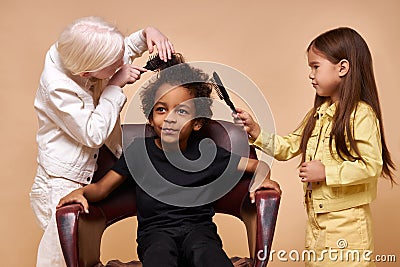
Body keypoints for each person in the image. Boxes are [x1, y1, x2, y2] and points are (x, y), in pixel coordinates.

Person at [57, 62, 281, 267]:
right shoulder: (138, 153)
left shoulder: (207, 152)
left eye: (181, 111)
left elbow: (257, 166)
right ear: (151, 119)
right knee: (159, 258)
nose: (169, 118)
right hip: (155, 234)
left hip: (200, 232)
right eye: (161, 110)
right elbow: (101, 189)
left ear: (197, 123)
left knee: (209, 257)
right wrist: (80, 192)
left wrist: (262, 180)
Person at [235, 27, 396, 267]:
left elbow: (371, 166)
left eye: (316, 66)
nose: (311, 74)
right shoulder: (318, 114)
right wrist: (256, 131)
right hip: (318, 223)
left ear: (342, 68)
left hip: (347, 227)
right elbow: (288, 146)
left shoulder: (361, 115)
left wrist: (326, 172)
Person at [30, 16, 175, 267]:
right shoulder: (58, 87)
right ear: (86, 73)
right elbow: (92, 133)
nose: (123, 64)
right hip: (63, 182)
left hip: (96, 167)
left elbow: (118, 53)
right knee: (61, 257)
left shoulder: (79, 51)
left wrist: (145, 34)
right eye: (114, 66)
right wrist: (114, 86)